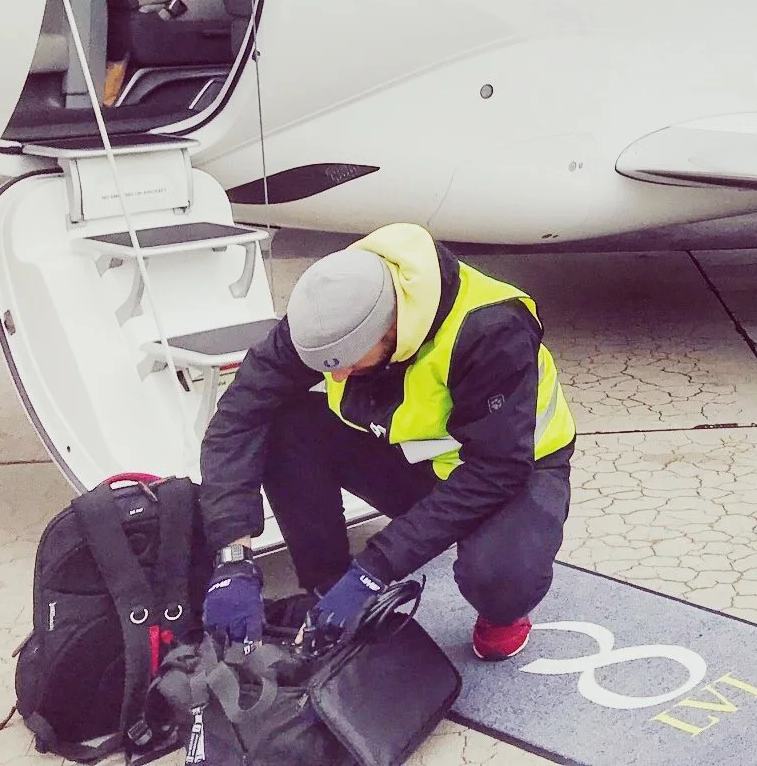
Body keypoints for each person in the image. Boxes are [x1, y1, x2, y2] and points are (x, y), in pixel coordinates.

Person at [197, 223, 576, 661]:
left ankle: (503, 612)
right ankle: (327, 589)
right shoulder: (332, 310)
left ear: (391, 329)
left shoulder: (492, 329)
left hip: (514, 468)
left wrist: (374, 569)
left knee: (500, 578)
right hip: (415, 457)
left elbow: (497, 468)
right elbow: (237, 417)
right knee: (285, 423)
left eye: (348, 363)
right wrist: (233, 557)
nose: (335, 376)